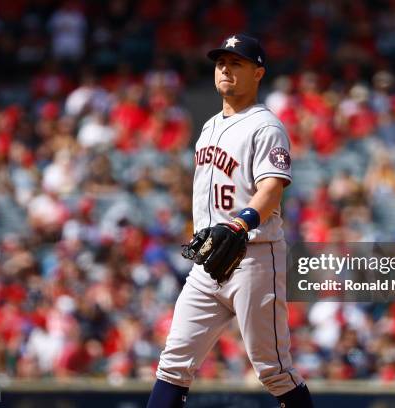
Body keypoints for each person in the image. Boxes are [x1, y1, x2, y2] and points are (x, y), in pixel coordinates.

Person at [146, 34, 314, 408]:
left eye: (236, 63)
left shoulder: (266, 126)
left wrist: (241, 222)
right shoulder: (207, 127)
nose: (225, 69)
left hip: (253, 256)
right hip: (208, 261)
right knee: (173, 364)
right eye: (221, 62)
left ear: (258, 73)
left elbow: (272, 188)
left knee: (273, 370)